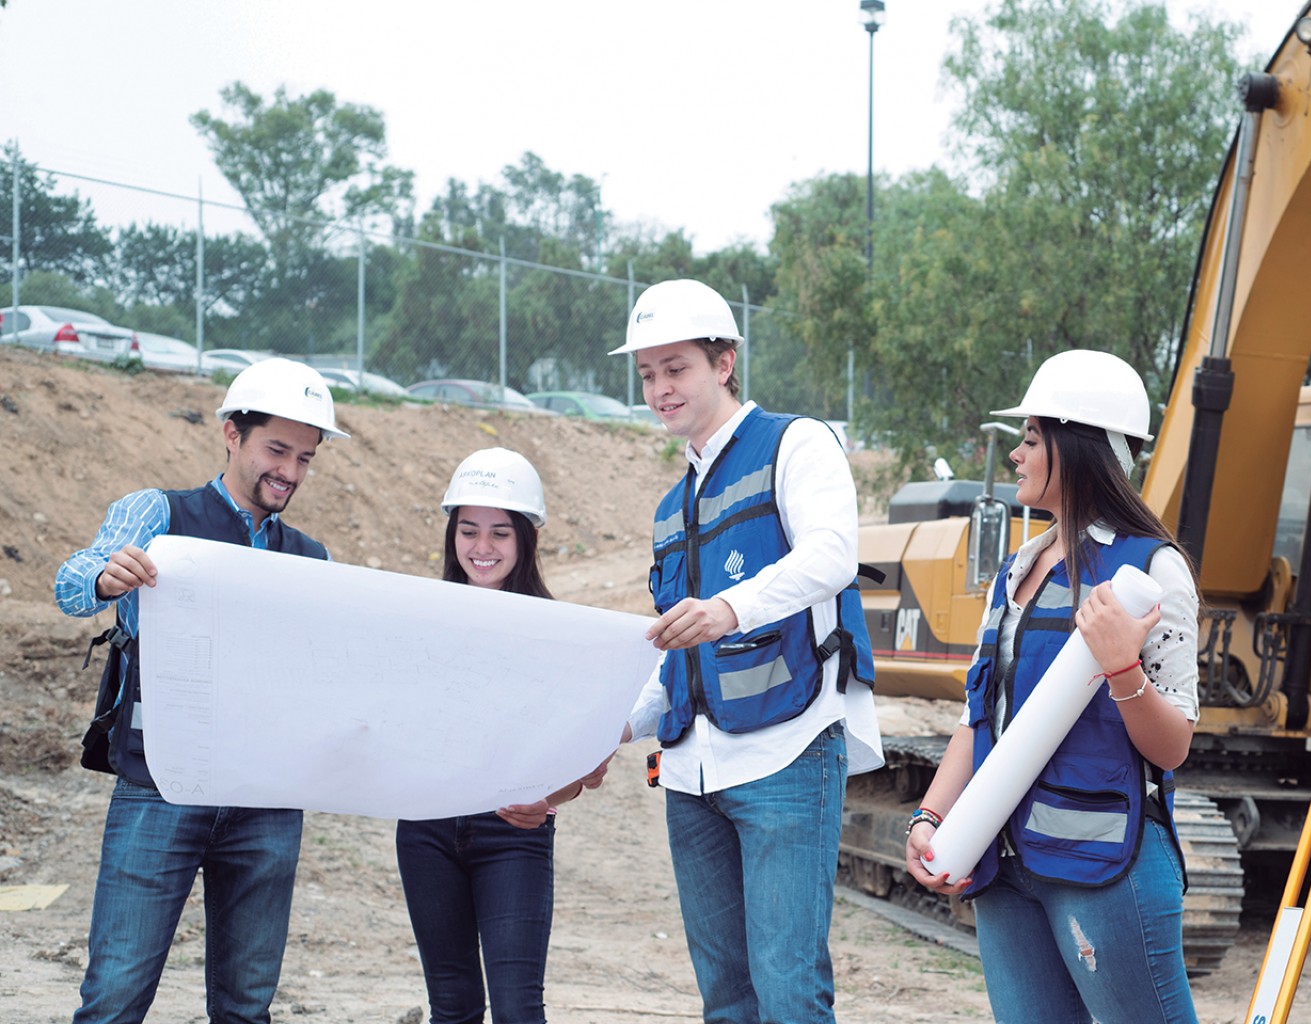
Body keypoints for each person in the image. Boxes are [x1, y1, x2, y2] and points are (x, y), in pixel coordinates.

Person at [902, 349, 1202, 1024]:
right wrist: (931, 817)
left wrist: (1123, 669)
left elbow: (1173, 745)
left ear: (1080, 448)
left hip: (1104, 868)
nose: (1016, 455)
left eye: (1031, 439)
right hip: (1003, 868)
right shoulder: (1019, 568)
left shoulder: (1152, 570)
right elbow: (978, 716)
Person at [610, 278, 882, 1023]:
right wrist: (603, 734)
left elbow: (831, 554)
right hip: (693, 773)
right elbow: (676, 659)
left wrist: (730, 607)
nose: (659, 389)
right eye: (647, 375)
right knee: (726, 1000)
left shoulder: (796, 443)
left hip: (786, 757)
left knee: (789, 993)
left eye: (676, 368)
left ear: (724, 361)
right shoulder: (674, 508)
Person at [54, 357, 348, 1024]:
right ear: (231, 434)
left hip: (267, 799)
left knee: (246, 1007)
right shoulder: (157, 515)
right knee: (115, 999)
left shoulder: (311, 559)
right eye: (278, 450)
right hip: (159, 787)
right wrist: (107, 576)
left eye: (306, 458)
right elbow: (69, 583)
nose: (292, 473)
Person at [396, 447, 608, 1024]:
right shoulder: (421, 620)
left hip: (513, 836)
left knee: (518, 1010)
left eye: (499, 533)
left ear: (524, 542)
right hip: (426, 834)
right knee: (454, 1005)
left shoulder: (555, 632)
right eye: (468, 531)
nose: (482, 548)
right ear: (451, 535)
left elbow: (585, 760)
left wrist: (548, 799)